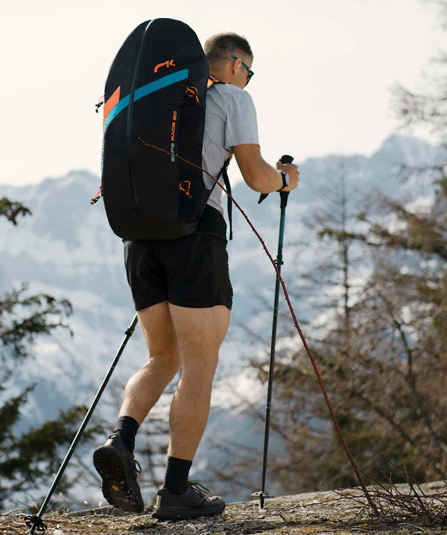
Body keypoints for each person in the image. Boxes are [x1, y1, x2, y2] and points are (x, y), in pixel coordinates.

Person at [92, 32, 300, 521]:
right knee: (200, 367)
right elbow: (255, 176)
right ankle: (176, 492)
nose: (248, 79)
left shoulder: (159, 100)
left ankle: (120, 438)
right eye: (248, 70)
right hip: (194, 237)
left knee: (161, 357)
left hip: (139, 241)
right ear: (232, 64)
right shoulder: (232, 98)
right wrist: (288, 178)